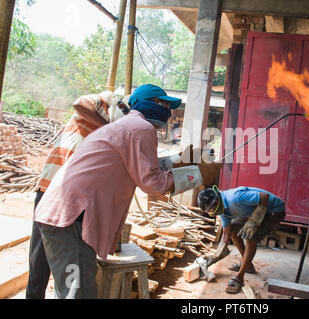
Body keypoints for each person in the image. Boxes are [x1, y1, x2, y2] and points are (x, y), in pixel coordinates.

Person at [33, 91, 222, 298]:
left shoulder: (125, 127)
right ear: (149, 104)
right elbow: (153, 182)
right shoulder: (141, 128)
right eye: (164, 105)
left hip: (65, 216)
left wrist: (181, 160)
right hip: (71, 219)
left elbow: (141, 166)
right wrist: (197, 175)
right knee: (78, 293)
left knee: (72, 291)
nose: (168, 112)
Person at [26, 90, 128, 299]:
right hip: (50, 187)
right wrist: (107, 127)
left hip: (73, 197)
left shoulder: (112, 134)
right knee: (39, 263)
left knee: (65, 268)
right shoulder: (101, 102)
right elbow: (79, 104)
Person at [197, 186, 285, 294]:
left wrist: (254, 221)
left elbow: (264, 197)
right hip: (255, 210)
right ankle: (247, 265)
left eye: (212, 207)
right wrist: (217, 255)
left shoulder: (234, 198)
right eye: (209, 210)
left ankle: (240, 276)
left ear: (217, 198)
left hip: (274, 210)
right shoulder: (222, 209)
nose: (212, 210)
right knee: (233, 229)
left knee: (250, 236)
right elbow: (226, 233)